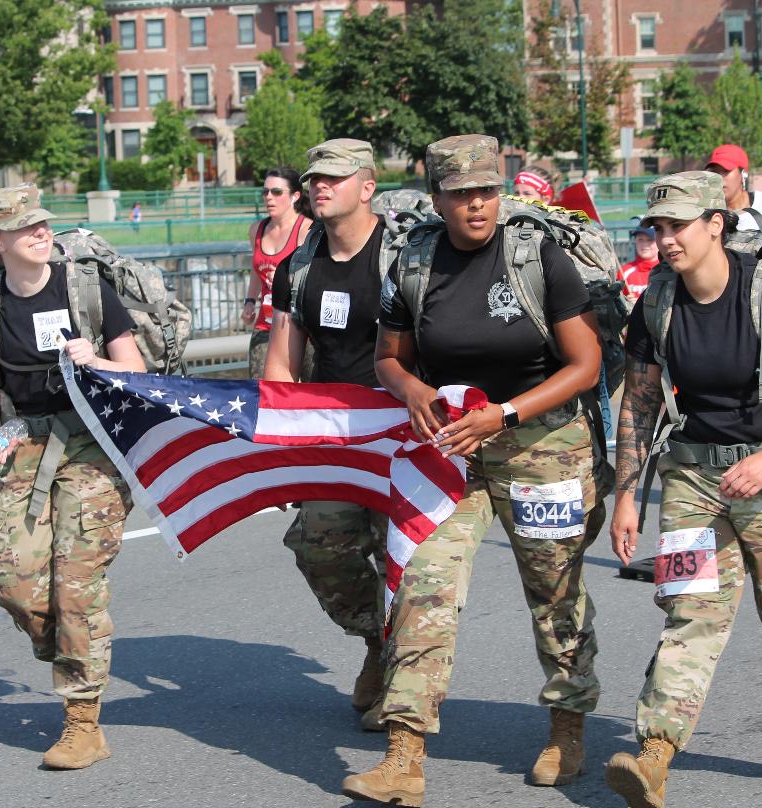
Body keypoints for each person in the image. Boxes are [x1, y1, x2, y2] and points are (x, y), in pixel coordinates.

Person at [342, 134, 614, 807]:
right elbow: (389, 358)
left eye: (487, 191)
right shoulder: (415, 262)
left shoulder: (537, 255)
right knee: (422, 585)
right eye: (461, 194)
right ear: (436, 198)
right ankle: (405, 751)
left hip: (542, 446)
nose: (476, 206)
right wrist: (413, 392)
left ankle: (567, 726)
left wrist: (508, 413)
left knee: (554, 589)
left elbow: (585, 365)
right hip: (453, 449)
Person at [605, 171, 762, 807]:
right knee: (690, 610)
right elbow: (640, 402)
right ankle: (655, 750)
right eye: (657, 227)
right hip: (693, 477)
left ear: (716, 223)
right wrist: (627, 494)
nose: (665, 239)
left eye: (678, 225)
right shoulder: (656, 301)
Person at [0, 184, 146, 770]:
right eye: (24, 226)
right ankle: (63, 649)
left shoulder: (84, 286)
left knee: (75, 586)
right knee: (16, 584)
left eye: (43, 223)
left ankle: (82, 720)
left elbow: (134, 368)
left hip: (92, 440)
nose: (41, 232)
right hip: (20, 443)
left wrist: (98, 361)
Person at [264, 140, 389, 727]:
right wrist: (285, 451)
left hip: (405, 429)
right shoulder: (300, 267)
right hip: (334, 430)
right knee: (319, 547)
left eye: (335, 178)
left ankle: (405, 682)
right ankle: (378, 641)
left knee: (408, 561)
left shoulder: (404, 257)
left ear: (368, 187)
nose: (320, 186)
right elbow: (283, 365)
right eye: (314, 177)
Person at [242, 168, 312, 380]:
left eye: (276, 192)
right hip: (266, 323)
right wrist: (249, 300)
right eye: (265, 192)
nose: (269, 197)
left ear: (295, 196)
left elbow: (316, 277)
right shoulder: (257, 229)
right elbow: (257, 271)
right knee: (261, 392)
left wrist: (285, 280)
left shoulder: (307, 229)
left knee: (313, 394)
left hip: (302, 325)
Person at [617, 223, 659, 302]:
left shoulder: (668, 271)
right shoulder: (623, 272)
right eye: (640, 239)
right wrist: (626, 303)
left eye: (649, 240)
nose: (644, 244)